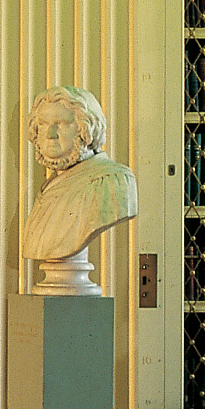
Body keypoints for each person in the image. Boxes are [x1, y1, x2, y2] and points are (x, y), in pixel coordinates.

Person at [22, 84, 137, 290]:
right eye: (43, 123)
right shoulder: (49, 187)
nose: (50, 134)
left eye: (62, 124)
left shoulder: (112, 180)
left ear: (87, 128)